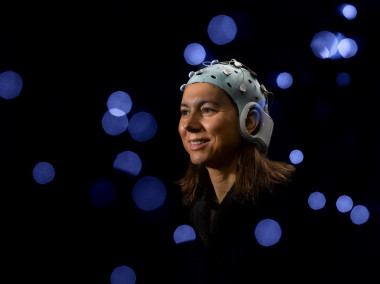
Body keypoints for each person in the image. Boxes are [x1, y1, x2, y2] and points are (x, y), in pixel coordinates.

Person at [173, 59, 298, 284]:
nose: (189, 124)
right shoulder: (184, 207)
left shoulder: (286, 205)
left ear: (250, 121)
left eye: (207, 110)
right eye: (184, 112)